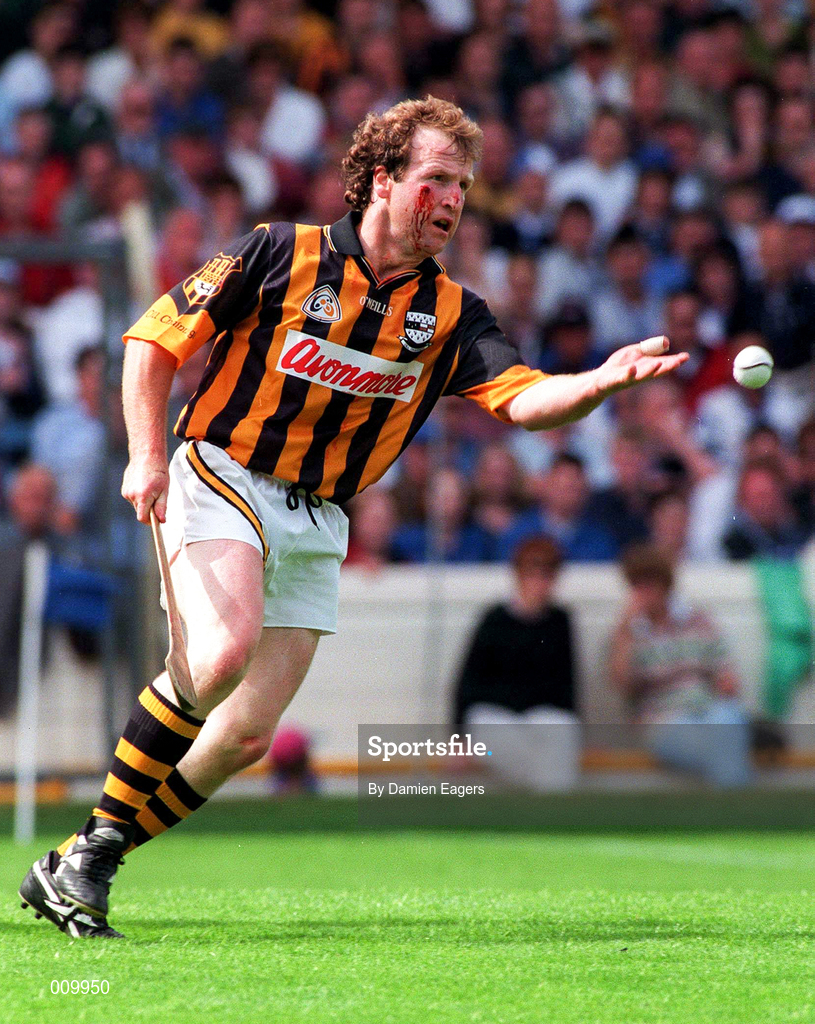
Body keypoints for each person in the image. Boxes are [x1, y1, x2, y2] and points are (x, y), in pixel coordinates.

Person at [19, 96, 686, 939]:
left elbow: (521, 400)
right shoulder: (275, 252)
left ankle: (80, 858)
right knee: (218, 658)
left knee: (244, 737)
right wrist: (145, 456)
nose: (450, 201)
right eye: (436, 180)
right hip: (222, 470)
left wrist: (592, 384)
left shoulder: (451, 313)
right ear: (382, 179)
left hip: (318, 514)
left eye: (463, 187)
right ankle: (93, 857)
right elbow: (152, 341)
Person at [609, 543, 752, 788]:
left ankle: (732, 803)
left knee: (727, 717)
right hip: (663, 719)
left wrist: (726, 681)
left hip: (707, 710)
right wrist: (625, 631)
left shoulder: (697, 621)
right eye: (636, 584)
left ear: (665, 585)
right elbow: (623, 684)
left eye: (649, 583)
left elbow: (725, 671)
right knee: (721, 745)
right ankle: (741, 808)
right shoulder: (629, 634)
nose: (643, 591)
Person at [453, 536, 580, 791]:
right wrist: (457, 741)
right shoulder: (494, 619)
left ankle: (547, 806)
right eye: (533, 573)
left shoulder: (559, 621)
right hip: (496, 715)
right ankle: (546, 799)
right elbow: (468, 682)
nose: (539, 583)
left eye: (547, 575)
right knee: (487, 728)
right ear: (518, 575)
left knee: (560, 728)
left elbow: (567, 685)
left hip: (542, 717)